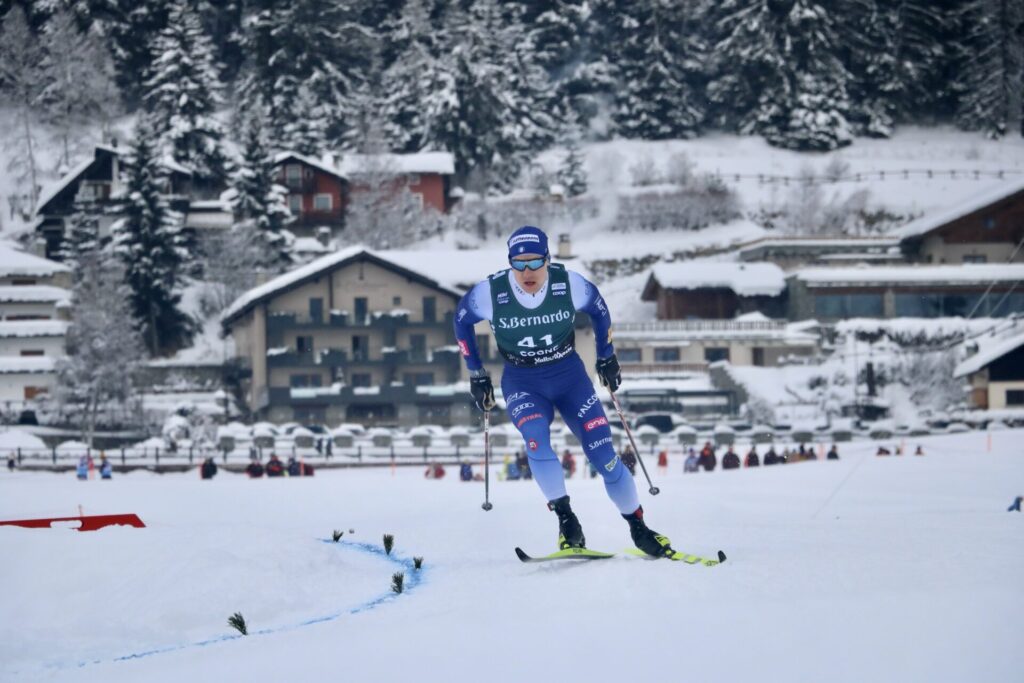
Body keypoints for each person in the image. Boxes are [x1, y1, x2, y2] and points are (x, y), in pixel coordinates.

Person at [454, 225, 670, 556]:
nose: (527, 272)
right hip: (523, 382)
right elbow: (461, 320)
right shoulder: (490, 292)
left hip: (570, 378)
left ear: (548, 259)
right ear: (510, 262)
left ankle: (639, 527)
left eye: (535, 262)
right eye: (519, 263)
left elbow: (599, 309)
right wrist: (476, 372)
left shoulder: (568, 284)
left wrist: (606, 357)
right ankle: (567, 522)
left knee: (604, 457)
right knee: (536, 442)